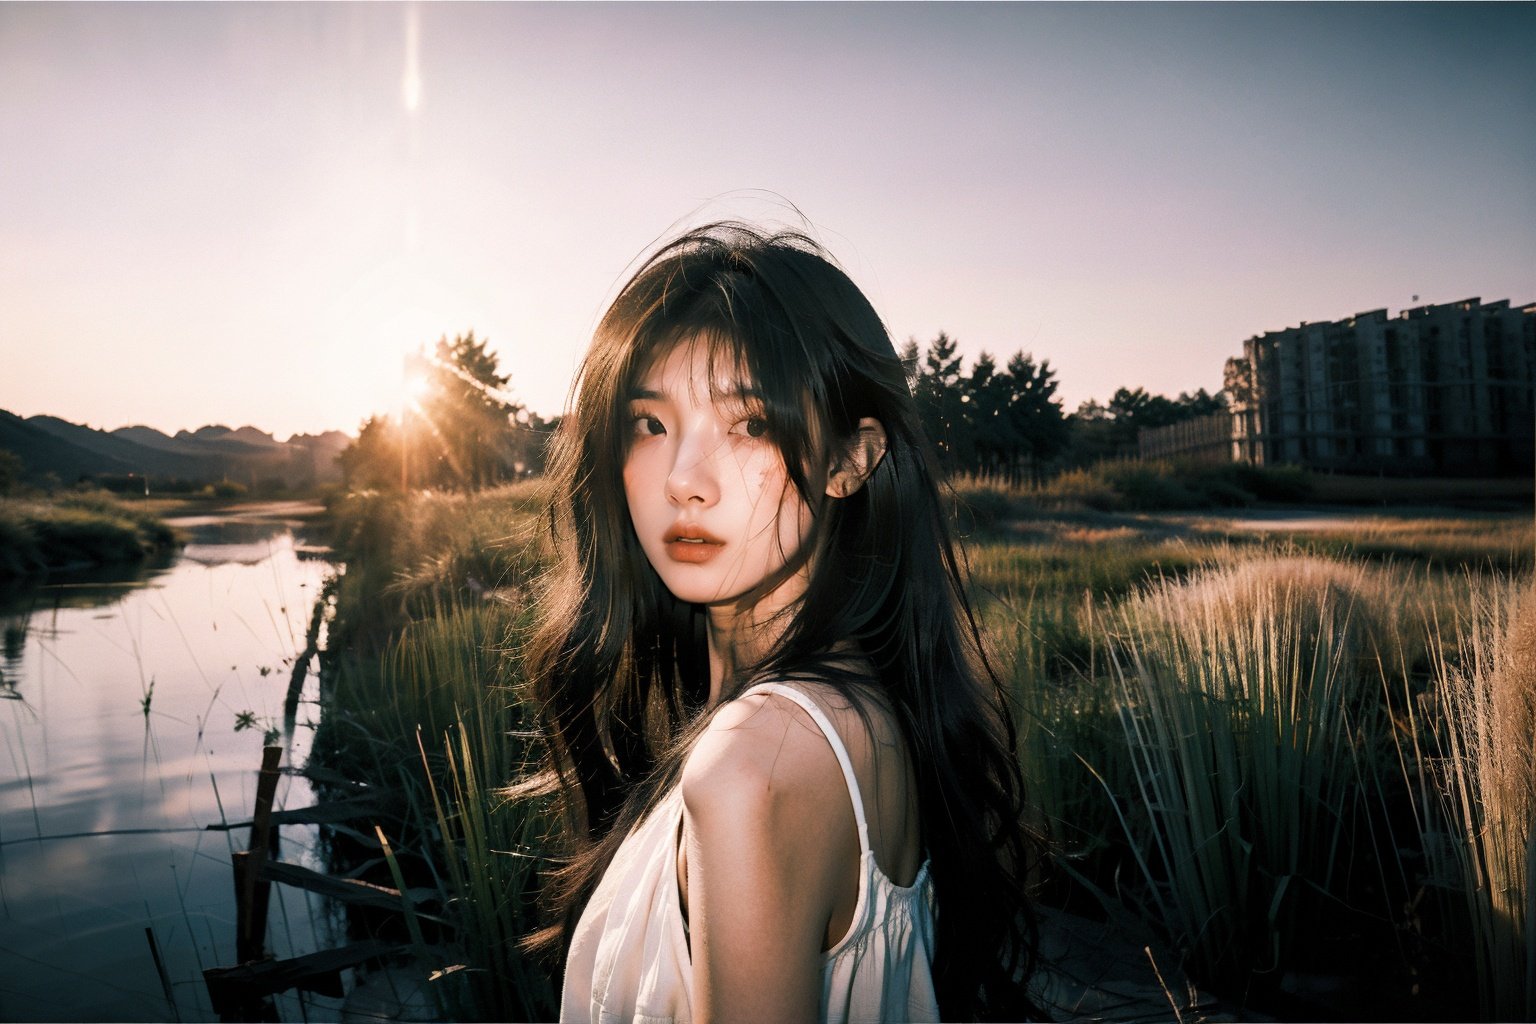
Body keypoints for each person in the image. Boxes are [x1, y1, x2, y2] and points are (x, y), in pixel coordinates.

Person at [523, 222, 1038, 1022]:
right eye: (650, 425)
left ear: (850, 459)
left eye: (750, 423)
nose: (684, 481)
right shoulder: (866, 707)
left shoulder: (754, 767)